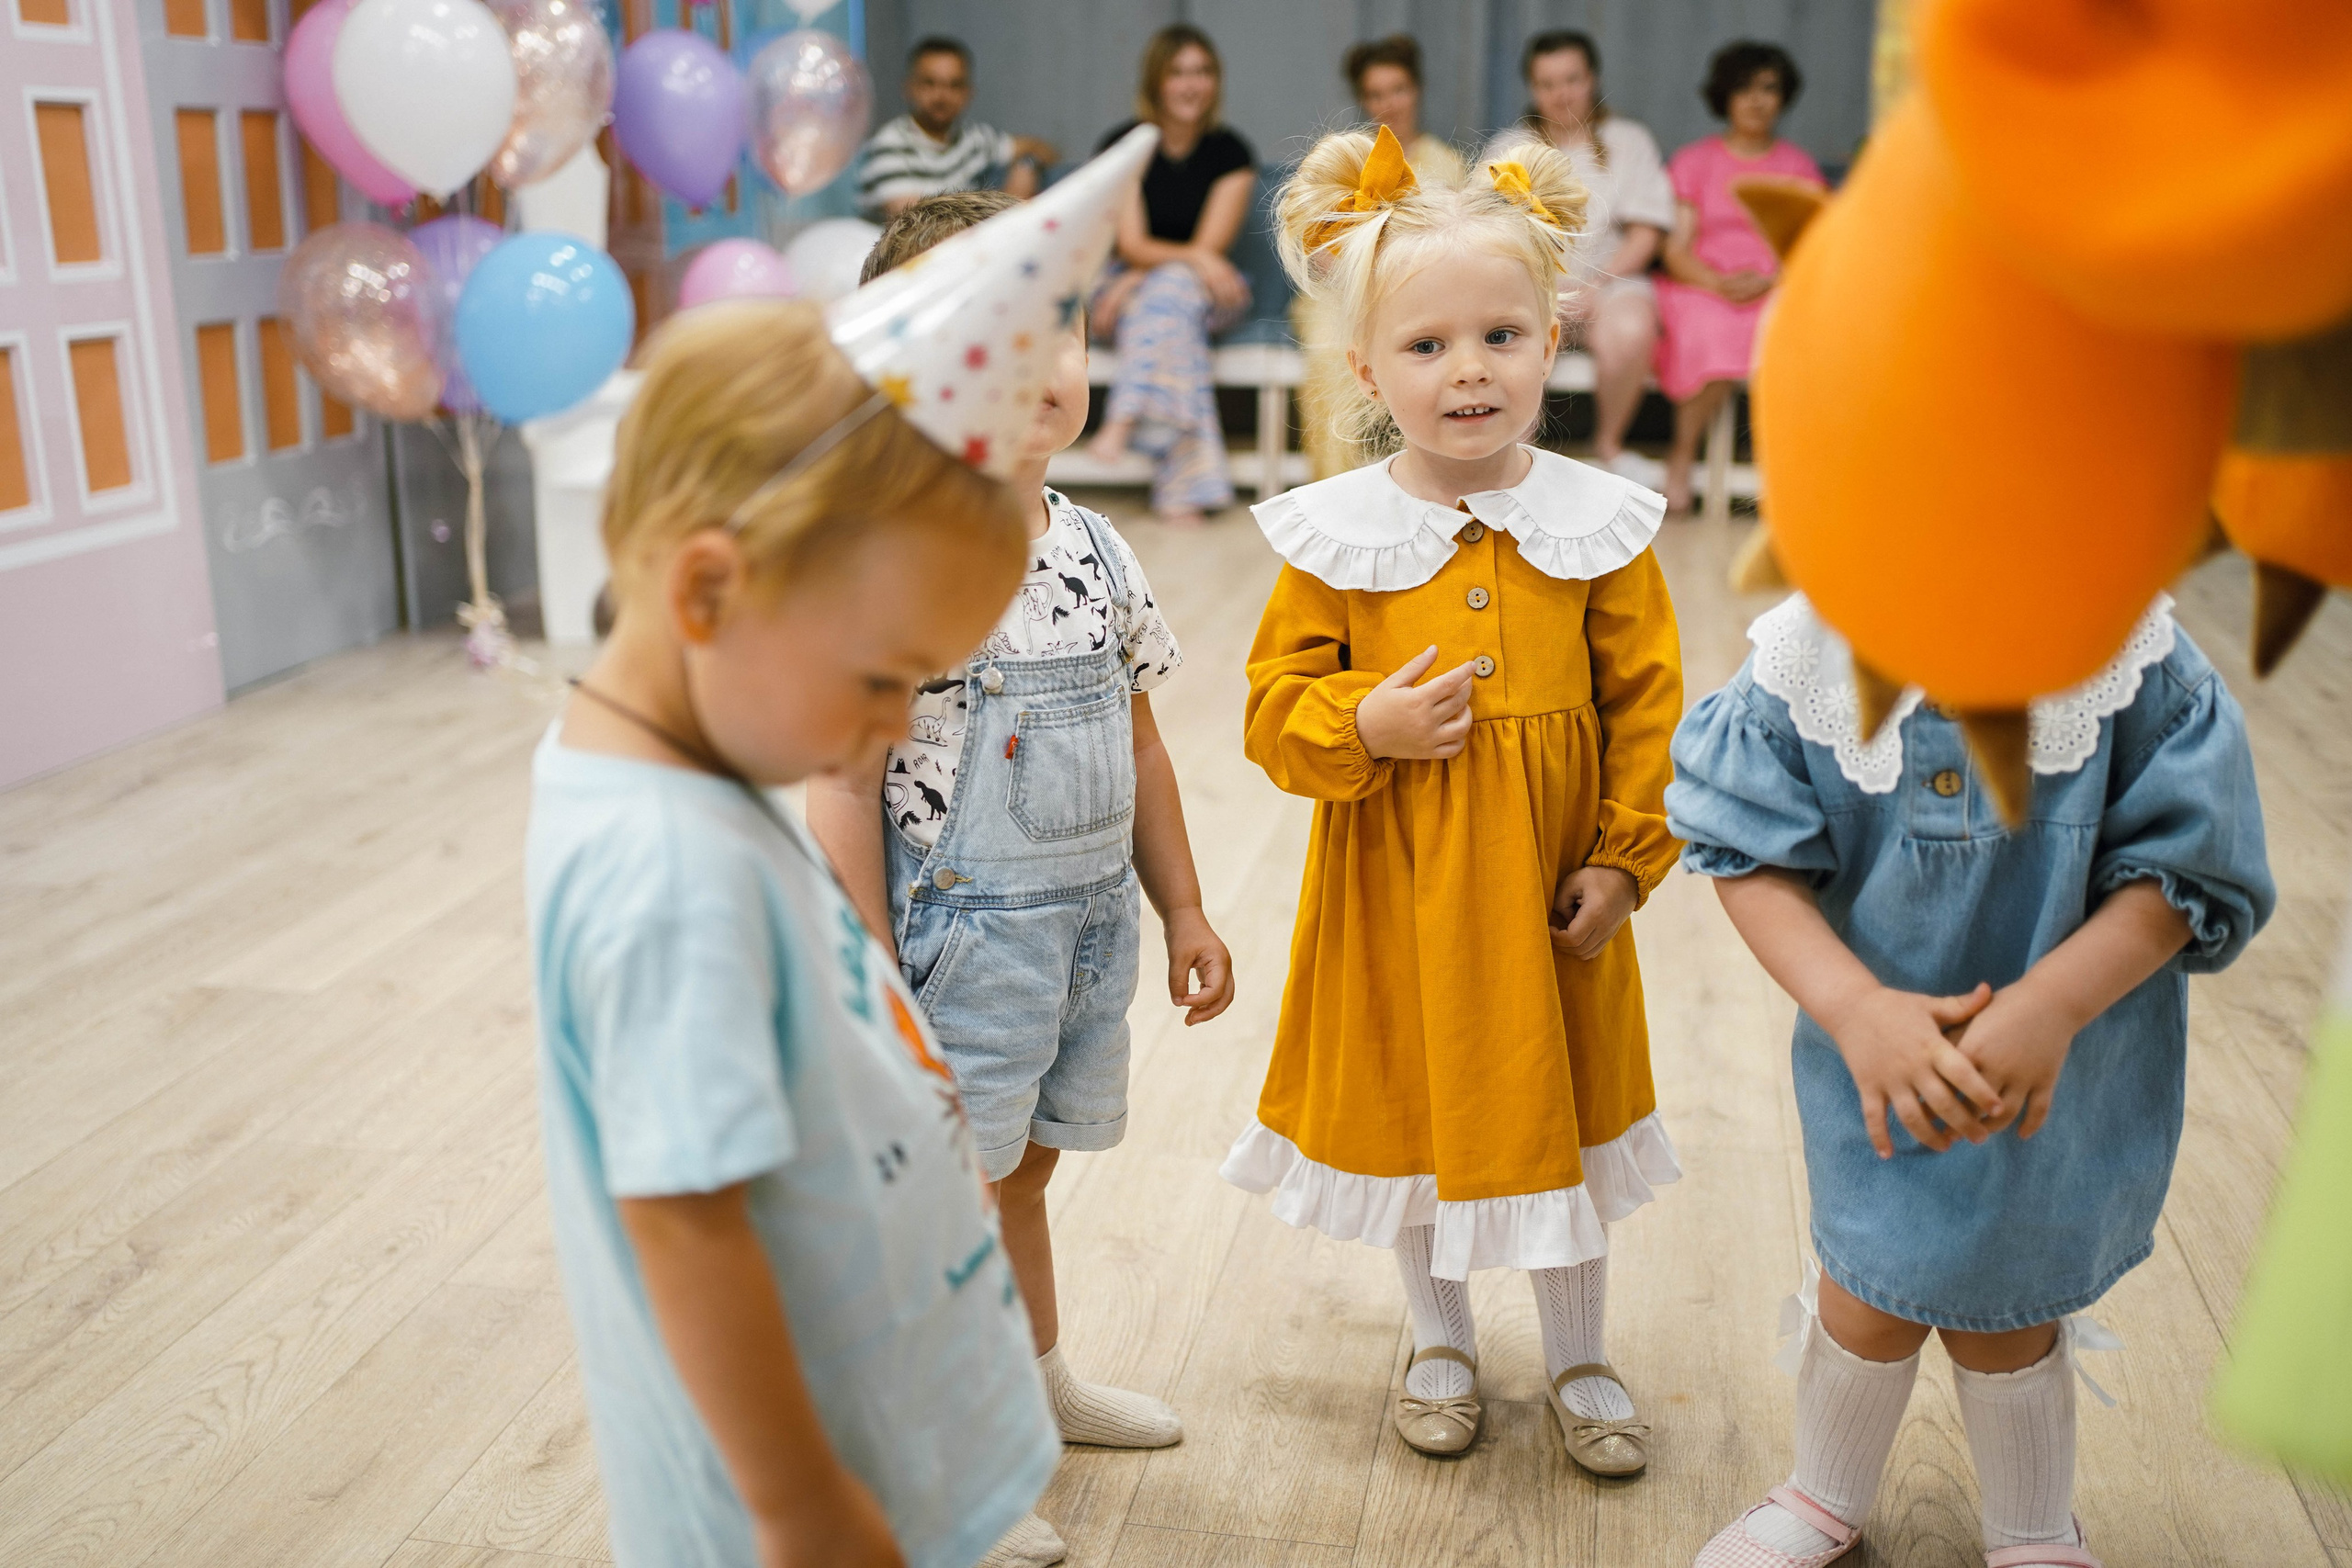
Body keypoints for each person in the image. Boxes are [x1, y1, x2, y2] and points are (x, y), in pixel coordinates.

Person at [525, 298, 1050, 1568]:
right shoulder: (667, 870)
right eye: (885, 680)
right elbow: (686, 1212)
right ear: (708, 585)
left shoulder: (677, 758)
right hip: (802, 1491)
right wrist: (800, 1502)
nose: (893, 732)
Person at [1222, 125, 1684, 1476]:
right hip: (1404, 882)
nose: (1466, 369)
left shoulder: (1602, 522)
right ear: (1368, 371)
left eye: (1498, 336)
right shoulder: (1335, 532)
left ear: (1554, 340)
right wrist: (1358, 720)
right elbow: (1271, 703)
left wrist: (1627, 855)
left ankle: (1583, 1350)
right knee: (1430, 1113)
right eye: (1426, 347)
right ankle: (1438, 1337)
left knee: (1561, 1116)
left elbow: (1648, 702)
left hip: (1548, 884)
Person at [1666, 593, 2274, 1567]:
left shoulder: (2127, 652)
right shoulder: (1805, 655)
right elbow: (1742, 848)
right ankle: (1824, 1492)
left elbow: (2186, 864)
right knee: (1863, 1287)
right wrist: (1854, 1007)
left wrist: (2056, 1004)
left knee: (2013, 1303)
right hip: (1874, 1061)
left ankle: (2033, 1525)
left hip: (2056, 1070)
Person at [807, 190, 1237, 1568]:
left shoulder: (1093, 544)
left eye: (1054, 318)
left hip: (1082, 929)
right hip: (950, 938)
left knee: (1027, 1174)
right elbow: (836, 777)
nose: (1038, 357)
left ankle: (1036, 1382)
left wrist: (1181, 903)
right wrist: (869, 967)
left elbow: (1143, 735)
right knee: (948, 1200)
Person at [1484, 31, 1677, 486]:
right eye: (1548, 83)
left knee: (1630, 328)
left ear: (1592, 80)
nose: (1561, 93)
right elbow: (1489, 233)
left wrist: (1595, 286)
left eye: (1572, 79)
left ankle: (1610, 447)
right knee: (1508, 341)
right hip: (1530, 290)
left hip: (1611, 284)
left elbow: (1646, 233)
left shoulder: (1627, 140)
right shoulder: (1507, 149)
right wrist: (1541, 292)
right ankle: (1511, 461)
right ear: (1533, 89)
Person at [1089, 24, 1257, 526]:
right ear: (1156, 82)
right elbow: (1132, 243)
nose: (1191, 84)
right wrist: (1138, 273)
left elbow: (1209, 254)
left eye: (1202, 72)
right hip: (1142, 285)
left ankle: (1122, 418)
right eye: (1178, 72)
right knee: (1170, 302)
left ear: (1216, 82)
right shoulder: (1124, 144)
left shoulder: (1232, 153)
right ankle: (1183, 488)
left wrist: (1140, 275)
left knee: (1175, 288)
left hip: (1210, 289)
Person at [1655, 41, 1823, 513]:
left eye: (1768, 89)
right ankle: (1682, 457)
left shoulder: (1798, 167)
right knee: (1711, 329)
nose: (1756, 100)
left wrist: (1769, 282)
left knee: (1787, 331)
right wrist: (1718, 284)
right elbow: (1675, 248)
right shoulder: (1693, 162)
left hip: (1776, 289)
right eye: (1744, 89)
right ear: (1723, 96)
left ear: (1783, 97)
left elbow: (1809, 248)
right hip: (1701, 286)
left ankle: (1787, 474)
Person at [1295, 34, 1466, 480]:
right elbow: (1319, 243)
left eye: (1398, 89)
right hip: (1346, 292)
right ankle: (1334, 486)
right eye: (1375, 93)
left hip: (1427, 292)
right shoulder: (1348, 162)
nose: (1389, 103)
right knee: (1333, 348)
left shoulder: (1447, 164)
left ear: (1417, 91)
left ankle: (1436, 476)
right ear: (1362, 100)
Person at [856, 37, 1058, 220]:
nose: (942, 96)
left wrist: (1028, 164)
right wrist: (1005, 207)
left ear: (968, 93)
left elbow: (1041, 148)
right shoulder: (890, 144)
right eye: (930, 83)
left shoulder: (974, 138)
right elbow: (919, 227)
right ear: (909, 88)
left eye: (954, 85)